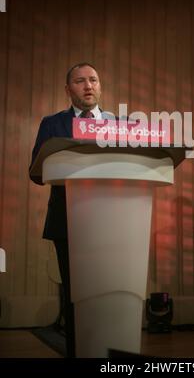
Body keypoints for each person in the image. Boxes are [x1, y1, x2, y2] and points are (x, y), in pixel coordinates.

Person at [29, 62, 106, 358]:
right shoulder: (52, 123)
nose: (89, 86)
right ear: (67, 89)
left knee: (105, 292)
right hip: (67, 218)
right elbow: (36, 171)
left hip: (113, 220)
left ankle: (108, 351)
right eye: (80, 81)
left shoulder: (119, 123)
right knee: (76, 295)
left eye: (94, 80)